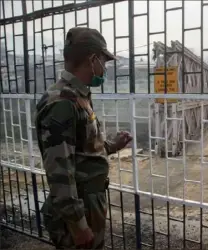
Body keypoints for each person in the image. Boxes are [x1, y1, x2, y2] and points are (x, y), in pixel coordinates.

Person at [35, 27, 132, 249]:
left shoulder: (78, 96)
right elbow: (60, 172)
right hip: (80, 208)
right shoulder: (62, 103)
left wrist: (113, 146)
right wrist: (78, 225)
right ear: (92, 59)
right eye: (104, 62)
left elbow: (83, 150)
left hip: (89, 203)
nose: (104, 68)